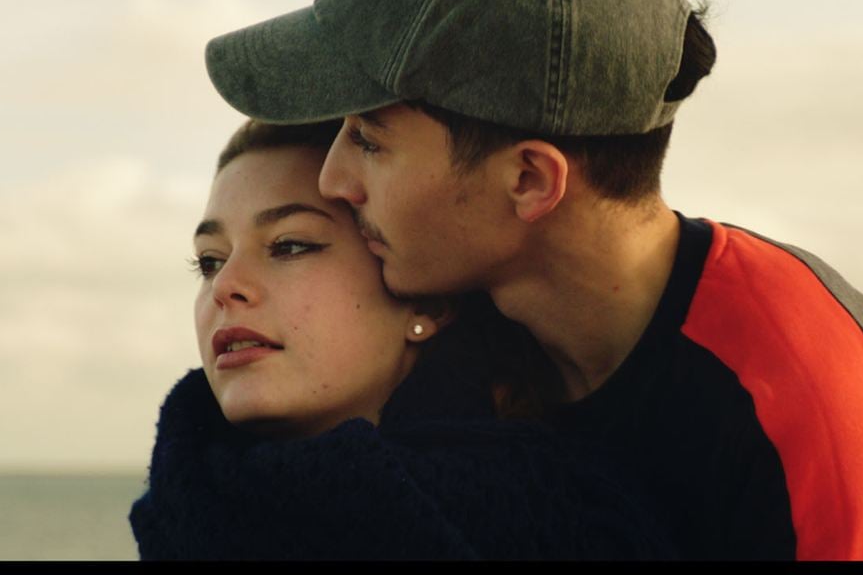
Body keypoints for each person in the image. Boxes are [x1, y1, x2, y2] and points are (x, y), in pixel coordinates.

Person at [201, 0, 863, 560]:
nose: (335, 178)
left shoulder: (802, 403)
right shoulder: (466, 343)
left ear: (530, 180)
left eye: (370, 139)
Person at [128, 118, 675, 560]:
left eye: (290, 245)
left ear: (426, 301)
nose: (226, 286)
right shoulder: (180, 513)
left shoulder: (571, 522)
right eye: (209, 260)